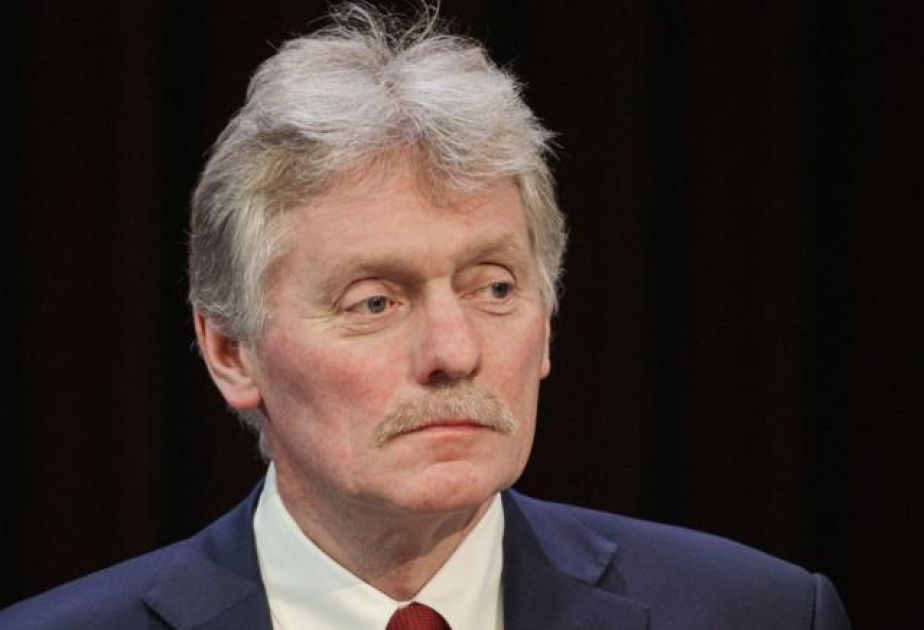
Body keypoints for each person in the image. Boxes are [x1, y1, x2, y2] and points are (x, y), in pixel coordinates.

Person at [2, 3, 851, 629]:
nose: (454, 351)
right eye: (374, 301)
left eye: (495, 289)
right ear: (230, 350)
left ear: (548, 322)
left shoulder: (761, 614)